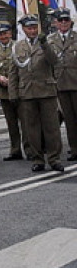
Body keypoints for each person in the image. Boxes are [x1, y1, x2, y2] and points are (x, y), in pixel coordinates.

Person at [9, 14, 63, 173]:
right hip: (27, 93)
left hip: (46, 91)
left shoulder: (47, 42)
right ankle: (37, 159)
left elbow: (54, 61)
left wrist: (44, 44)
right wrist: (13, 93)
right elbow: (13, 72)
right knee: (31, 129)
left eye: (34, 27)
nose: (32, 30)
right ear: (23, 29)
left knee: (51, 128)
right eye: (29, 28)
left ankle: (54, 158)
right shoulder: (18, 47)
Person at [0, 21, 24, 161]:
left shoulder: (18, 46)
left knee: (26, 122)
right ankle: (15, 150)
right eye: (0, 34)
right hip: (4, 92)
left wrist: (14, 81)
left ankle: (31, 149)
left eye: (6, 33)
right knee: (11, 123)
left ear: (10, 33)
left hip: (19, 90)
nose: (3, 36)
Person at [48, 9, 77, 160]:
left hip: (75, 82)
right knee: (69, 120)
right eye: (61, 21)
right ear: (56, 23)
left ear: (70, 22)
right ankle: (74, 149)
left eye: (66, 20)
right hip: (60, 84)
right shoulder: (50, 40)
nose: (64, 23)